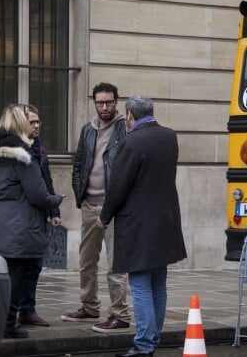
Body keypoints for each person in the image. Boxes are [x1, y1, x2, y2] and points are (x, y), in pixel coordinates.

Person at [97, 94, 187, 357]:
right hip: (165, 221)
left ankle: (144, 343)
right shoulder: (170, 137)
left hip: (138, 224)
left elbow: (118, 186)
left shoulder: (132, 142)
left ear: (129, 115)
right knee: (158, 282)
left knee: (139, 284)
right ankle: (153, 338)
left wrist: (104, 216)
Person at [0, 104, 64, 338]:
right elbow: (38, 195)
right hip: (19, 228)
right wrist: (57, 200)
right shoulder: (24, 158)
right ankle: (8, 324)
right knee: (16, 279)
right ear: (20, 126)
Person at [61, 82, 131, 333]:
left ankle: (120, 314)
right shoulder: (87, 130)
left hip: (114, 208)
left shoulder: (125, 129)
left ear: (116, 102)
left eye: (109, 102)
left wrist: (119, 203)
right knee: (86, 261)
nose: (104, 106)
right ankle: (89, 306)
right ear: (94, 102)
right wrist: (80, 197)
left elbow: (128, 168)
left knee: (116, 265)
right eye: (100, 102)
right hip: (90, 206)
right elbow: (79, 162)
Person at [18, 104, 62, 327]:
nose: (36, 126)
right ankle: (15, 311)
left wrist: (54, 210)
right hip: (23, 216)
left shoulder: (38, 147)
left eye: (38, 122)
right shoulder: (18, 150)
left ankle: (28, 309)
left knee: (35, 264)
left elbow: (46, 180)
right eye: (32, 122)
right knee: (20, 267)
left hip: (39, 214)